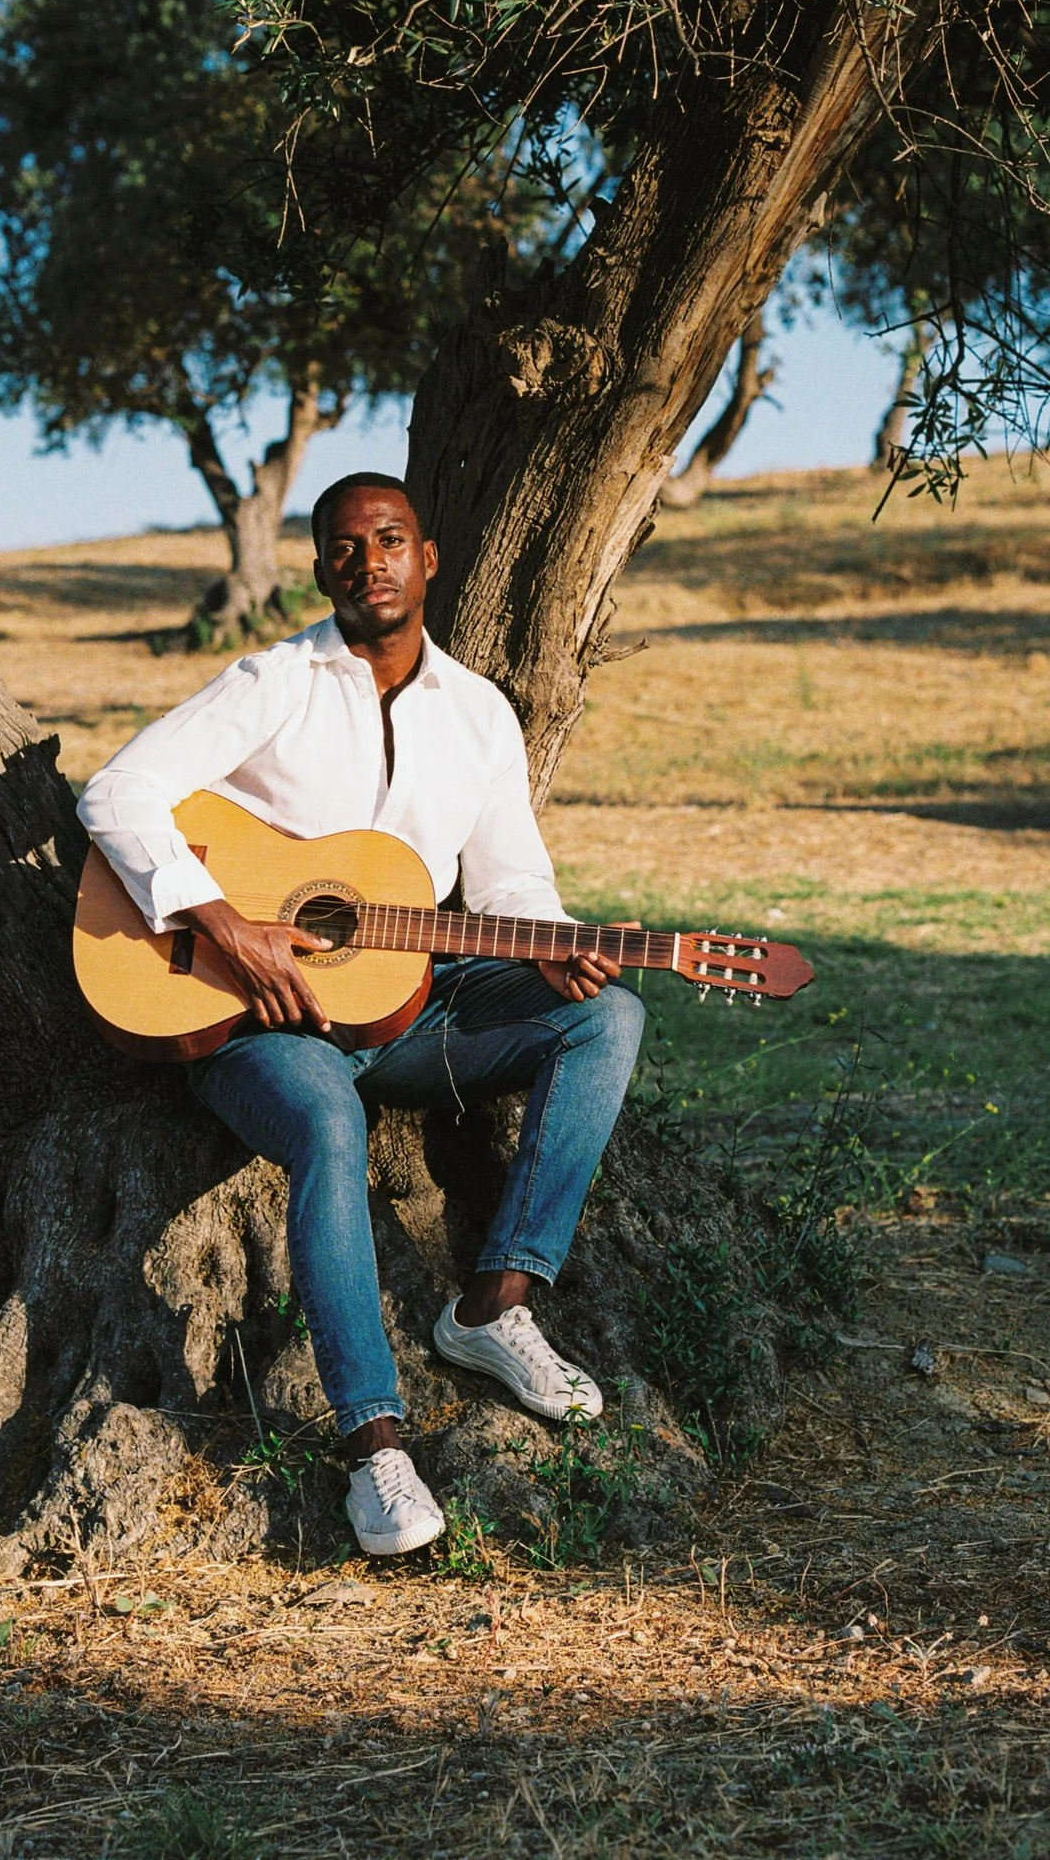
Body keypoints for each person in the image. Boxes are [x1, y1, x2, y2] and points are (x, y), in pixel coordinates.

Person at [78, 472, 647, 1559]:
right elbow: (114, 794)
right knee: (326, 1123)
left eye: (390, 539)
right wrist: (225, 926)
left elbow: (512, 889)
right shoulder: (274, 681)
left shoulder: (479, 716)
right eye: (345, 546)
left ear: (426, 558)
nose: (368, 560)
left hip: (403, 1010)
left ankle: (490, 1308)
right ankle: (374, 1446)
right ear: (321, 566)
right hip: (249, 1021)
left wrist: (559, 942)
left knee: (605, 1020)